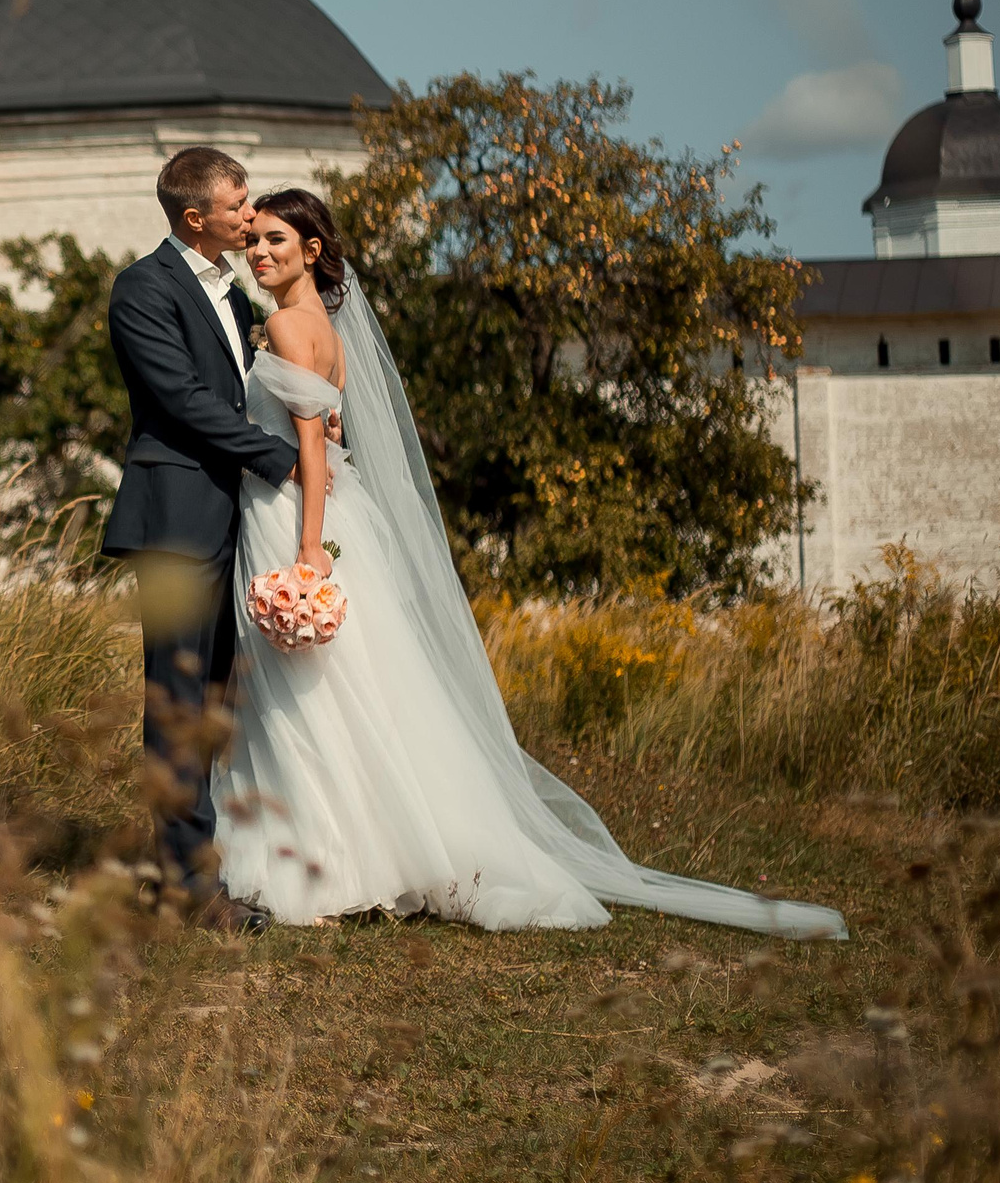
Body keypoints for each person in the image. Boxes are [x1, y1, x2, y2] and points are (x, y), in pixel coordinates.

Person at [207, 186, 844, 938]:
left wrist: (308, 551)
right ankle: (373, 851)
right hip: (337, 514)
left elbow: (313, 448)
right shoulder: (327, 328)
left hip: (298, 520)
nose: (259, 252)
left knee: (303, 694)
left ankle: (326, 861)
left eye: (276, 240)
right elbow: (335, 431)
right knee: (353, 688)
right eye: (254, 242)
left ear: (311, 251)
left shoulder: (283, 324)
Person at [102, 148, 296, 931]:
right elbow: (180, 400)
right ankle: (189, 890)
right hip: (176, 521)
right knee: (179, 703)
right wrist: (275, 455)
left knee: (219, 698)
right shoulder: (142, 289)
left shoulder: (237, 297)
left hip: (232, 517)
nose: (250, 215)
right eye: (238, 204)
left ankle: (221, 858)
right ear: (196, 217)